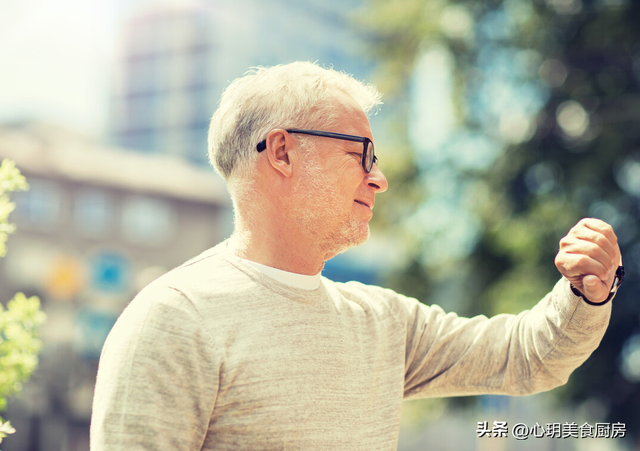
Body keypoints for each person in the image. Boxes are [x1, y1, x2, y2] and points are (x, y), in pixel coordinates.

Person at [90, 62, 623, 450]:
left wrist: (586, 291)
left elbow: (527, 357)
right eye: (360, 152)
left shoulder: (384, 323)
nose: (380, 177)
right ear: (281, 152)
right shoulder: (174, 319)